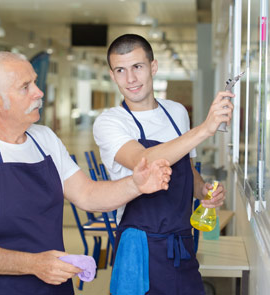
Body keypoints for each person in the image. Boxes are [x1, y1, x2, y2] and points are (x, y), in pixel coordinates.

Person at [0, 51, 172, 295]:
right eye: (25, 87)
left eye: (34, 81)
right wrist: (33, 264)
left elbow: (87, 193)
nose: (39, 92)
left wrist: (136, 184)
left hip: (53, 288)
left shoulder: (44, 139)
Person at [93, 34, 234, 295]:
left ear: (153, 67)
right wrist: (205, 129)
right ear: (113, 76)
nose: (131, 79)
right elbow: (144, 162)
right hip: (139, 248)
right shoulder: (111, 122)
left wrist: (204, 192)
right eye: (121, 70)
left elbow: (187, 171)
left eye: (137, 67)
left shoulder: (177, 112)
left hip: (182, 243)